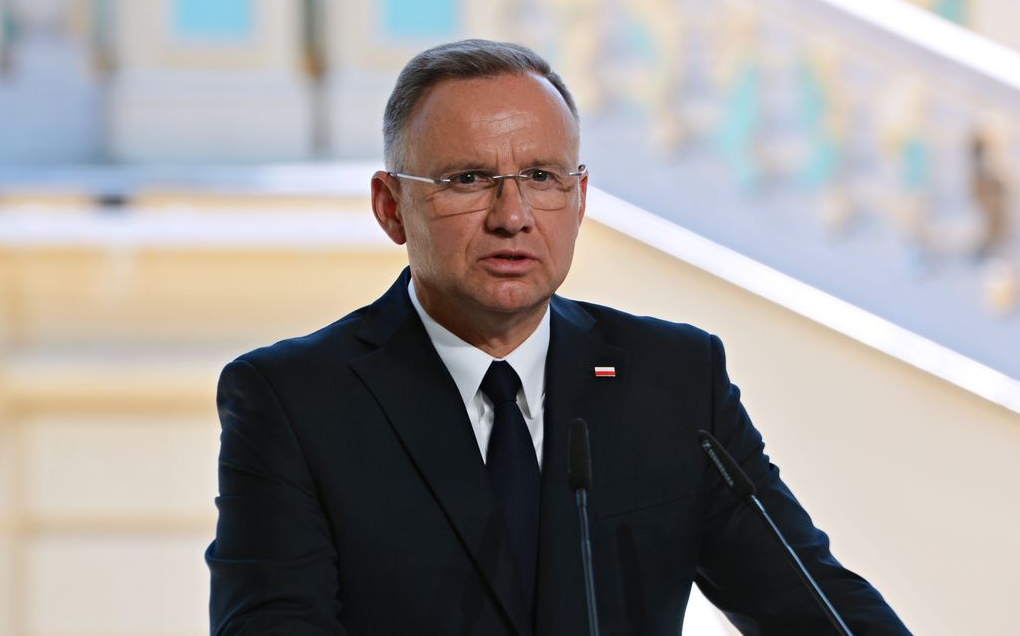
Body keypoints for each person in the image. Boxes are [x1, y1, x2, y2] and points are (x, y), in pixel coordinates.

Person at [206, 39, 910, 635]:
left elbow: (816, 605)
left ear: (578, 199)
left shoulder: (673, 380)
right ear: (392, 207)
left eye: (541, 176)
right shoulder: (293, 400)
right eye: (469, 179)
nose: (512, 215)